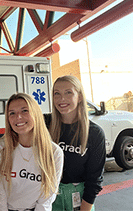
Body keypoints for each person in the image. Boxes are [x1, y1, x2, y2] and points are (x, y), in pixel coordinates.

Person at [0, 93, 64, 211]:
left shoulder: (54, 152)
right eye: (12, 113)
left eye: (24, 111)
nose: (18, 117)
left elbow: (47, 197)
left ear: (36, 114)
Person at [44, 75, 106, 211]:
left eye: (68, 93)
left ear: (80, 97)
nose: (62, 99)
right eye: (57, 94)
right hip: (48, 197)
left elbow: (94, 180)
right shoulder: (44, 124)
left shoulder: (94, 133)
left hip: (80, 198)